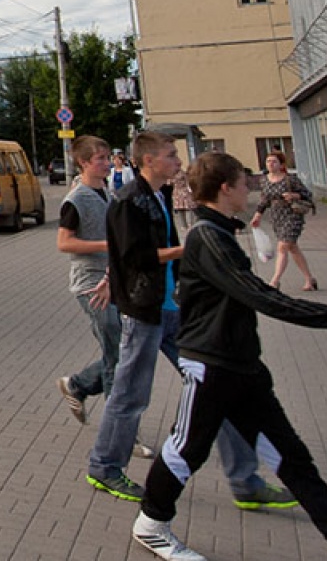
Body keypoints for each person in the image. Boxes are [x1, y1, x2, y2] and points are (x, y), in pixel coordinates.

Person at [130, 151, 327, 561]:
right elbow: (264, 298)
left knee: (293, 460)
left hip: (242, 368)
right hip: (212, 367)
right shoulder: (208, 237)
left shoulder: (219, 233)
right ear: (225, 188)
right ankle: (151, 524)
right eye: (244, 182)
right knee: (186, 450)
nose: (249, 188)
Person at [87, 131, 292, 510]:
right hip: (144, 313)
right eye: (170, 155)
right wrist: (187, 249)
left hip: (173, 309)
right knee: (130, 395)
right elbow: (133, 258)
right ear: (149, 160)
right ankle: (105, 467)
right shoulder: (128, 201)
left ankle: (244, 480)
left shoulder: (160, 195)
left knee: (217, 385)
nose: (178, 161)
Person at [55, 135, 120, 426]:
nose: (107, 164)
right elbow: (64, 243)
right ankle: (117, 428)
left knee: (119, 350)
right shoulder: (76, 199)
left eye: (108, 158)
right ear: (83, 163)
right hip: (90, 284)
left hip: (113, 280)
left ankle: (78, 385)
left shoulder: (108, 192)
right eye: (100, 159)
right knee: (116, 351)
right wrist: (106, 245)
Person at [252, 150, 318, 292]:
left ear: (281, 165)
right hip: (277, 216)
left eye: (274, 161)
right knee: (292, 247)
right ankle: (309, 279)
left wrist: (294, 195)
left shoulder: (290, 179)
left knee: (282, 247)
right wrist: (257, 215)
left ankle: (274, 281)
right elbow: (264, 200)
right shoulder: (264, 180)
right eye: (268, 161)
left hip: (292, 214)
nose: (270, 164)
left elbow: (307, 194)